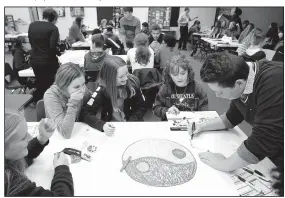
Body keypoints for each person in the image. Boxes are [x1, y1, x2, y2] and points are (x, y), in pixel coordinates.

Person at [194, 51, 283, 172]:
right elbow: (232, 116)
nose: (217, 96)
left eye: (220, 92)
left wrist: (224, 164)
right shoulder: (240, 76)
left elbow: (264, 138)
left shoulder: (275, 81)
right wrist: (201, 126)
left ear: (239, 84)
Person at [4, 108, 74, 196]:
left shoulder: (7, 157)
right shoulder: (8, 182)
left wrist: (42, 138)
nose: (29, 138)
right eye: (23, 137)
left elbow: (23, 156)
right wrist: (62, 168)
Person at [81, 56, 147, 134]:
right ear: (109, 78)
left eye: (127, 73)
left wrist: (131, 122)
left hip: (131, 125)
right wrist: (102, 125)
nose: (126, 78)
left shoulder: (133, 84)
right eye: (121, 76)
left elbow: (141, 107)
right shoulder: (102, 90)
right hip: (112, 128)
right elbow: (86, 113)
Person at [153, 54, 208, 120]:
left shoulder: (198, 88)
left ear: (188, 72)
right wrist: (167, 111)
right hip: (170, 124)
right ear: (169, 74)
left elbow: (204, 109)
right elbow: (156, 108)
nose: (179, 78)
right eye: (175, 74)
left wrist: (198, 117)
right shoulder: (165, 88)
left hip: (192, 123)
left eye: (183, 73)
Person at [44, 63, 91, 139]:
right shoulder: (51, 96)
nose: (82, 90)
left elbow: (91, 105)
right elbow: (65, 133)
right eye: (76, 87)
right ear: (63, 87)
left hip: (78, 132)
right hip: (56, 137)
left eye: (83, 84)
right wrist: (73, 104)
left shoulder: (82, 89)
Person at [28, 8, 61, 103]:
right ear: (53, 18)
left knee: (41, 83)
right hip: (48, 61)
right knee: (52, 83)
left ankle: (40, 104)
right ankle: (51, 104)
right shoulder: (53, 28)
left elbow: (31, 43)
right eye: (56, 20)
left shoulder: (32, 25)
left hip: (34, 60)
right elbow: (52, 47)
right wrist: (58, 56)